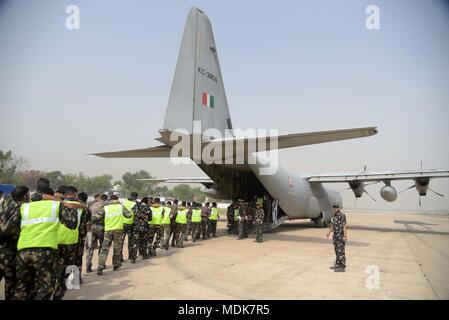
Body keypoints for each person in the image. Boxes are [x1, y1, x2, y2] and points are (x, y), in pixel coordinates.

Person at [13, 187, 78, 299]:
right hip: (45, 251)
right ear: (51, 196)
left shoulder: (24, 207)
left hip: (23, 251)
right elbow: (72, 224)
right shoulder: (55, 205)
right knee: (45, 287)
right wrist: (68, 205)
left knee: (22, 287)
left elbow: (12, 227)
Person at [53, 186, 87, 300]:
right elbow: (83, 225)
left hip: (56, 239)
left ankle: (54, 283)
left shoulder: (56, 203)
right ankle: (73, 282)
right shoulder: (81, 207)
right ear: (75, 194)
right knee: (71, 263)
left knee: (56, 263)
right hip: (72, 239)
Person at [0, 186, 29, 300]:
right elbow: (7, 230)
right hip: (9, 251)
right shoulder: (20, 208)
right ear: (24, 196)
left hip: (3, 249)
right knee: (10, 282)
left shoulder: (4, 203)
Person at [96, 195, 131, 275]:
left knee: (104, 249)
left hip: (108, 230)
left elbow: (96, 217)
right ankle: (116, 265)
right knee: (117, 248)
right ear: (117, 199)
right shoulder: (121, 207)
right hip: (118, 230)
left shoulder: (105, 207)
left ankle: (100, 267)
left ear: (110, 200)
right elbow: (129, 215)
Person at [85, 194, 106, 273]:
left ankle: (88, 265)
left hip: (91, 228)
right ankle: (101, 265)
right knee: (102, 247)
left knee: (90, 248)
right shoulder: (104, 205)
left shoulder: (91, 204)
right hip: (101, 228)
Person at [326, 204, 347, 272]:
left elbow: (344, 226)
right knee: (336, 251)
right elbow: (333, 225)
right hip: (335, 236)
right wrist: (329, 232)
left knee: (341, 251)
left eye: (336, 207)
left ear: (339, 208)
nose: (335, 208)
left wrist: (345, 236)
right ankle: (337, 265)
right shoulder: (333, 216)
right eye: (334, 207)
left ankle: (342, 266)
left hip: (340, 235)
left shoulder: (342, 215)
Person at [130, 197, 151, 261]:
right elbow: (150, 217)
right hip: (144, 227)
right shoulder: (147, 207)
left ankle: (133, 257)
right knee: (144, 241)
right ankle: (144, 255)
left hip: (136, 226)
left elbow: (133, 213)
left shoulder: (135, 206)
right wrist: (144, 217)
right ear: (146, 201)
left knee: (135, 242)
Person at [76, 192, 90, 282]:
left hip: (64, 237)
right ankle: (77, 278)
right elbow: (88, 222)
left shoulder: (64, 204)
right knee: (78, 257)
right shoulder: (85, 209)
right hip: (80, 236)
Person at [121, 192, 139, 261]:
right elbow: (136, 214)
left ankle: (120, 257)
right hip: (131, 225)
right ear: (136, 197)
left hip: (122, 224)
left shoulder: (124, 202)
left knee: (121, 242)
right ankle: (131, 256)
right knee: (131, 241)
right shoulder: (134, 204)